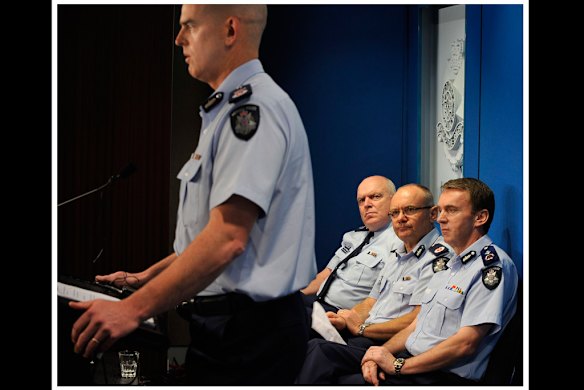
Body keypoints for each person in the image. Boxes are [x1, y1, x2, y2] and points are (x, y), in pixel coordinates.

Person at [70, 5, 317, 385]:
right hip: (236, 327)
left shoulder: (251, 111)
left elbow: (227, 240)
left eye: (189, 26)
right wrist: (145, 278)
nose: (179, 39)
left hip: (250, 333)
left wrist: (132, 310)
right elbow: (210, 238)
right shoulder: (226, 109)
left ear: (230, 30)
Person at [352, 177, 518, 385]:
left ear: (480, 217)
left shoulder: (491, 267)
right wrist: (380, 353)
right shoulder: (449, 264)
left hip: (442, 377)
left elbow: (465, 343)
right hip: (412, 361)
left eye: (452, 210)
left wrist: (398, 367)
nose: (441, 219)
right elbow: (416, 325)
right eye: (441, 211)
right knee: (326, 357)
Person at [296, 183, 453, 384]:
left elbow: (417, 319)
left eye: (410, 210)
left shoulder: (439, 258)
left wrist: (361, 328)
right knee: (301, 331)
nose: (401, 218)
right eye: (395, 213)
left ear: (432, 214)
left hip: (388, 342)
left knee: (319, 350)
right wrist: (348, 319)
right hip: (364, 335)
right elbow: (371, 302)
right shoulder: (398, 255)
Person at [301, 175, 401, 315]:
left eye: (375, 197)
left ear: (394, 200)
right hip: (317, 303)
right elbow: (326, 274)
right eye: (361, 200)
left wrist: (349, 320)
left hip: (340, 315)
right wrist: (297, 296)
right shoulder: (353, 237)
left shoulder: (399, 242)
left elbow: (386, 300)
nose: (367, 204)